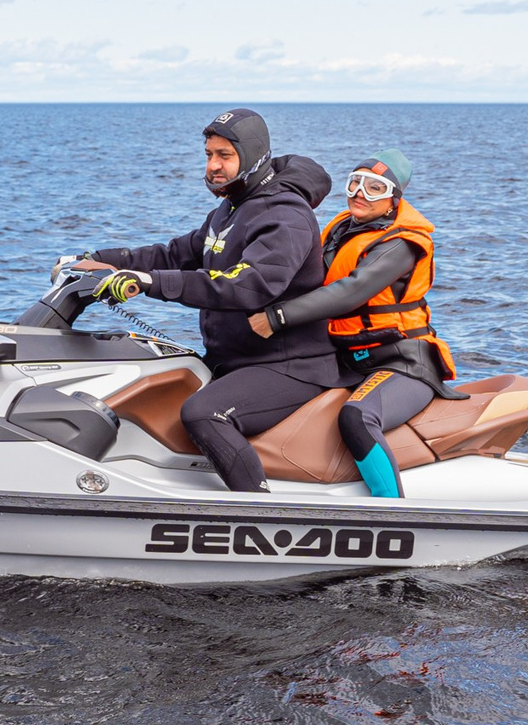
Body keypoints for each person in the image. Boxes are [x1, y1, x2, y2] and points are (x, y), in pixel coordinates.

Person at [74, 109, 338, 493]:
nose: (213, 166)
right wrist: (101, 259)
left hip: (291, 366)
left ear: (252, 156)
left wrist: (146, 283)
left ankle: (258, 512)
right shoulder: (230, 209)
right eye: (209, 155)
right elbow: (175, 254)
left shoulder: (286, 215)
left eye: (224, 156)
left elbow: (249, 284)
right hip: (236, 360)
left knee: (203, 413)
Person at [246, 148, 460, 499]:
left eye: (374, 187)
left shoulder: (401, 244)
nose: (360, 193)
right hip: (347, 359)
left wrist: (278, 317)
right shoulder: (340, 229)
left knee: (356, 417)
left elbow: (351, 292)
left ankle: (392, 515)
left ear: (393, 199)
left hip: (402, 363)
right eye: (355, 183)